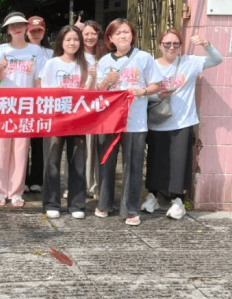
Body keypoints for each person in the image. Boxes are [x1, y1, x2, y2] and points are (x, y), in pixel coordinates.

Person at [142, 29, 223, 220]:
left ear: (181, 46)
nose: (171, 47)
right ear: (160, 45)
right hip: (157, 122)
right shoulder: (151, 66)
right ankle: (152, 196)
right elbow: (144, 94)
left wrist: (205, 44)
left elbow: (217, 60)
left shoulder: (190, 62)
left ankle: (179, 201)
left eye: (176, 44)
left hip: (183, 122)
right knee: (155, 161)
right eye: (167, 44)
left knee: (180, 163)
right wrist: (159, 95)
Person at [95, 18, 162, 226]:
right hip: (109, 120)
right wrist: (107, 81)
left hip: (135, 121)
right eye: (118, 33)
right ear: (110, 38)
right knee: (106, 162)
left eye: (126, 32)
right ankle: (104, 204)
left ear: (132, 35)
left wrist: (141, 91)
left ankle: (130, 209)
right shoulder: (104, 61)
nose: (123, 36)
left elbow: (157, 85)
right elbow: (97, 91)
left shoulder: (144, 58)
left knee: (133, 165)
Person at [36, 25, 92, 219]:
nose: (72, 43)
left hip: (79, 120)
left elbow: (91, 93)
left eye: (76, 39)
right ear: (61, 41)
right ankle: (51, 203)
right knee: (52, 161)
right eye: (68, 39)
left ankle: (77, 205)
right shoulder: (52, 64)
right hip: (56, 119)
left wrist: (93, 77)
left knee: (77, 162)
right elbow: (44, 91)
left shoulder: (87, 63)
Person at [0, 13, 46, 208]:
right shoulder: (1, 49)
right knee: (1, 149)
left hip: (26, 105)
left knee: (21, 149)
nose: (16, 29)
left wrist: (38, 104)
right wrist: (0, 67)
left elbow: (38, 80)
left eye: (20, 25)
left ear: (26, 27)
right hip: (4, 104)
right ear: (7, 30)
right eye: (12, 26)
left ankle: (16, 192)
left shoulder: (35, 51)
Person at [24, 15, 52, 194]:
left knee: (39, 143)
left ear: (44, 31)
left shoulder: (50, 53)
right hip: (23, 103)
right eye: (32, 31)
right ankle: (22, 179)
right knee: (21, 144)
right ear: (26, 32)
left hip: (43, 104)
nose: (35, 34)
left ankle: (36, 179)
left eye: (39, 31)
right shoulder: (20, 51)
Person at [80, 20, 108, 198]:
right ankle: (80, 185)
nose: (90, 37)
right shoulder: (77, 55)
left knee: (98, 147)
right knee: (82, 148)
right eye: (86, 34)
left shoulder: (105, 56)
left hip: (101, 107)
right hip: (82, 107)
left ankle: (95, 186)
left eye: (93, 33)